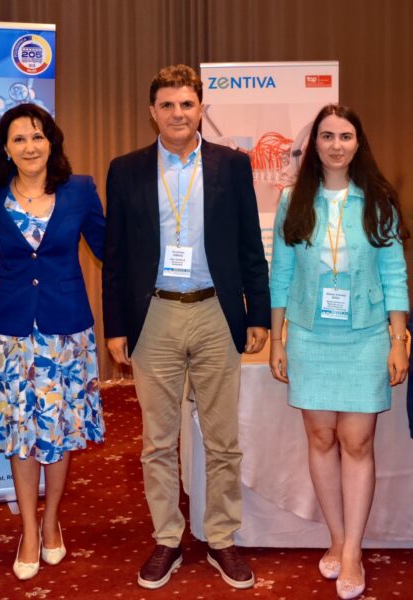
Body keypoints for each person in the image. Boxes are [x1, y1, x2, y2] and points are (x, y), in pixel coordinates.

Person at [102, 64, 270, 591]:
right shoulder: (125, 169)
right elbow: (115, 257)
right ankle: (167, 538)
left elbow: (250, 246)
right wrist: (115, 326)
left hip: (216, 312)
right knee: (157, 440)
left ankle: (221, 537)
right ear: (152, 112)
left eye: (187, 104)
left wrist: (259, 313)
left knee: (223, 439)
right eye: (168, 105)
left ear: (201, 109)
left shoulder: (231, 166)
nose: (178, 113)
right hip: (154, 315)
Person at [269, 104, 409, 600]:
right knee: (321, 437)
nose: (335, 145)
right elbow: (281, 274)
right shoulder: (293, 200)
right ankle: (335, 536)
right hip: (310, 335)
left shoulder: (377, 200)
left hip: (366, 335)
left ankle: (352, 551)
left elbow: (394, 273)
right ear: (315, 145)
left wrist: (398, 339)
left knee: (358, 442)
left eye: (345, 136)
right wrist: (278, 338)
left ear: (358, 143)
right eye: (327, 136)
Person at [0, 103, 105, 581]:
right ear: (5, 149)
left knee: (58, 429)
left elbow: (109, 248)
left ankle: (52, 522)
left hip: (65, 333)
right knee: (20, 434)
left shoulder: (79, 190)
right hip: (11, 332)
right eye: (19, 139)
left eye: (37, 136)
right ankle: (29, 530)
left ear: (51, 142)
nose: (29, 146)